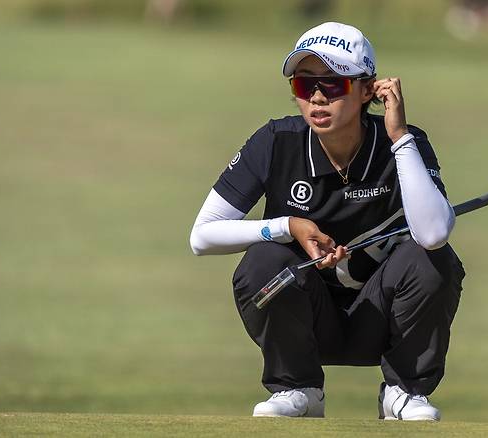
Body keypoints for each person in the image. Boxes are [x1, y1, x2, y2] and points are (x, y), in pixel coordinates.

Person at [190, 22, 465, 421]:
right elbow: (202, 236)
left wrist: (400, 136)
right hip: (306, 317)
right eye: (305, 85)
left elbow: (435, 233)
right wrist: (287, 226)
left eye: (333, 84)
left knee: (432, 260)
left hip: (383, 318)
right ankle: (297, 387)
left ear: (368, 90)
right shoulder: (275, 141)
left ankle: (404, 392)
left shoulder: (406, 142)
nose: (317, 97)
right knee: (262, 262)